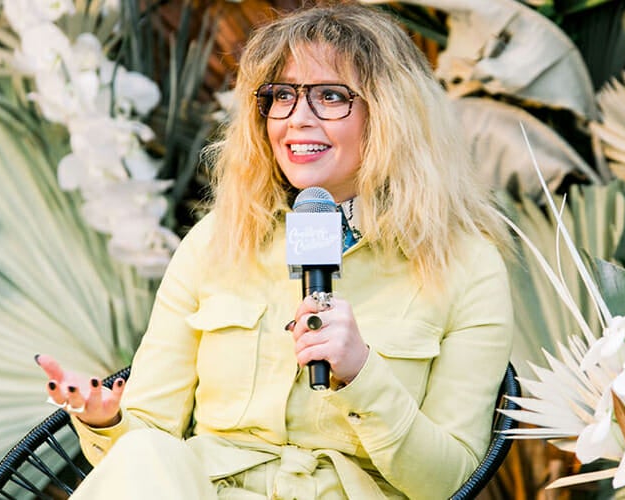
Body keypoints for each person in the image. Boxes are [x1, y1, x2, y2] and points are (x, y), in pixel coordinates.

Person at [37, 3, 514, 498]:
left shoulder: (467, 266)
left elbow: (449, 481)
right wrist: (107, 419)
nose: (297, 119)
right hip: (207, 488)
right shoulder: (217, 241)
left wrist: (361, 373)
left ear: (392, 113)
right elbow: (147, 445)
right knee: (144, 454)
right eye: (281, 95)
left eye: (331, 96)